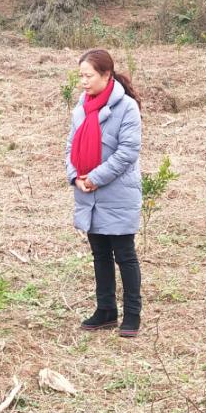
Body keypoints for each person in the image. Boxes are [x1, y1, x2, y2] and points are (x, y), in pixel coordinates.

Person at [66, 49, 144, 338]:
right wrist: (75, 177)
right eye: (81, 76)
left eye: (89, 76)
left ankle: (132, 314)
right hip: (88, 193)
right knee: (99, 253)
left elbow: (128, 152)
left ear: (106, 75)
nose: (83, 82)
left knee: (124, 254)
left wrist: (96, 178)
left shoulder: (126, 107)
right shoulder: (81, 107)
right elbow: (70, 146)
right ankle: (106, 310)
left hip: (117, 193)